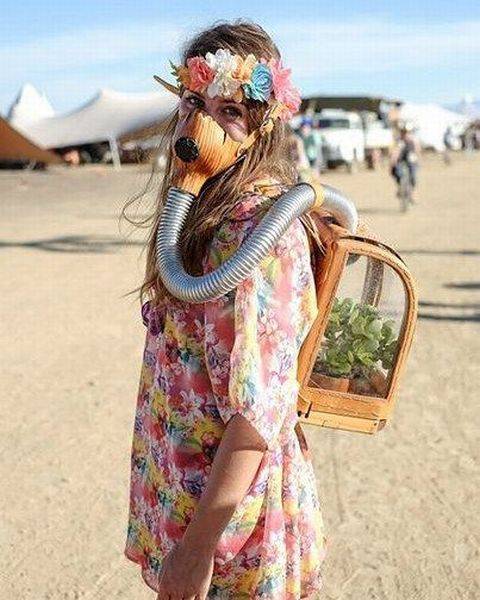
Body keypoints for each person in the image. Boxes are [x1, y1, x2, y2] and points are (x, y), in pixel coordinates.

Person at [123, 21, 327, 600]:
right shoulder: (197, 215)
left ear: (263, 124)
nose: (202, 125)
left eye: (230, 110)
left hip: (231, 537)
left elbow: (256, 415)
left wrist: (196, 551)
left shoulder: (265, 231)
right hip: (185, 496)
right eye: (194, 103)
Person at [390, 124, 421, 204]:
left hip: (410, 159)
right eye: (403, 132)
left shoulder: (413, 140)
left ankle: (412, 194)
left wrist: (417, 157)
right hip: (400, 160)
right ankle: (400, 188)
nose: (405, 134)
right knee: (397, 172)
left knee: (413, 176)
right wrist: (393, 161)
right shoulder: (399, 141)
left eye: (407, 132)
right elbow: (395, 152)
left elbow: (417, 150)